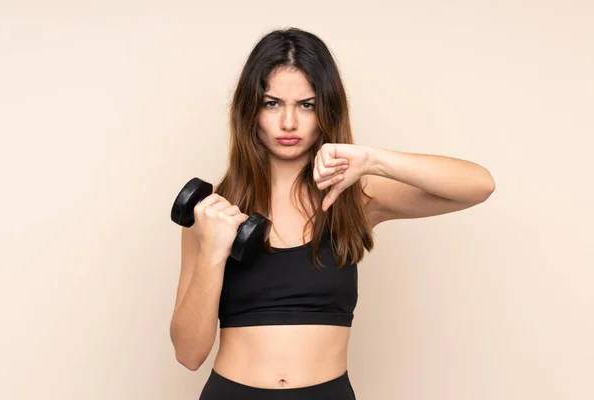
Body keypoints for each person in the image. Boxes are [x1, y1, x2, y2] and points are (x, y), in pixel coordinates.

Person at [169, 27, 496, 399]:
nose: (288, 123)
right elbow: (188, 354)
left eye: (306, 104)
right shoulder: (213, 213)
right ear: (250, 109)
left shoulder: (355, 197)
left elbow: (478, 185)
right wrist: (213, 252)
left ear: (326, 109)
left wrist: (372, 160)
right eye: (272, 103)